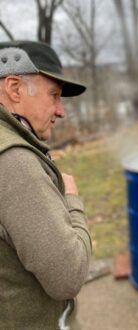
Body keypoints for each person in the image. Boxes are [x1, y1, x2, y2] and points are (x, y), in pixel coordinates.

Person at [0, 40, 92, 329]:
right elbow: (67, 277)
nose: (61, 110)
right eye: (54, 95)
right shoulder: (14, 162)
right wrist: (72, 201)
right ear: (14, 89)